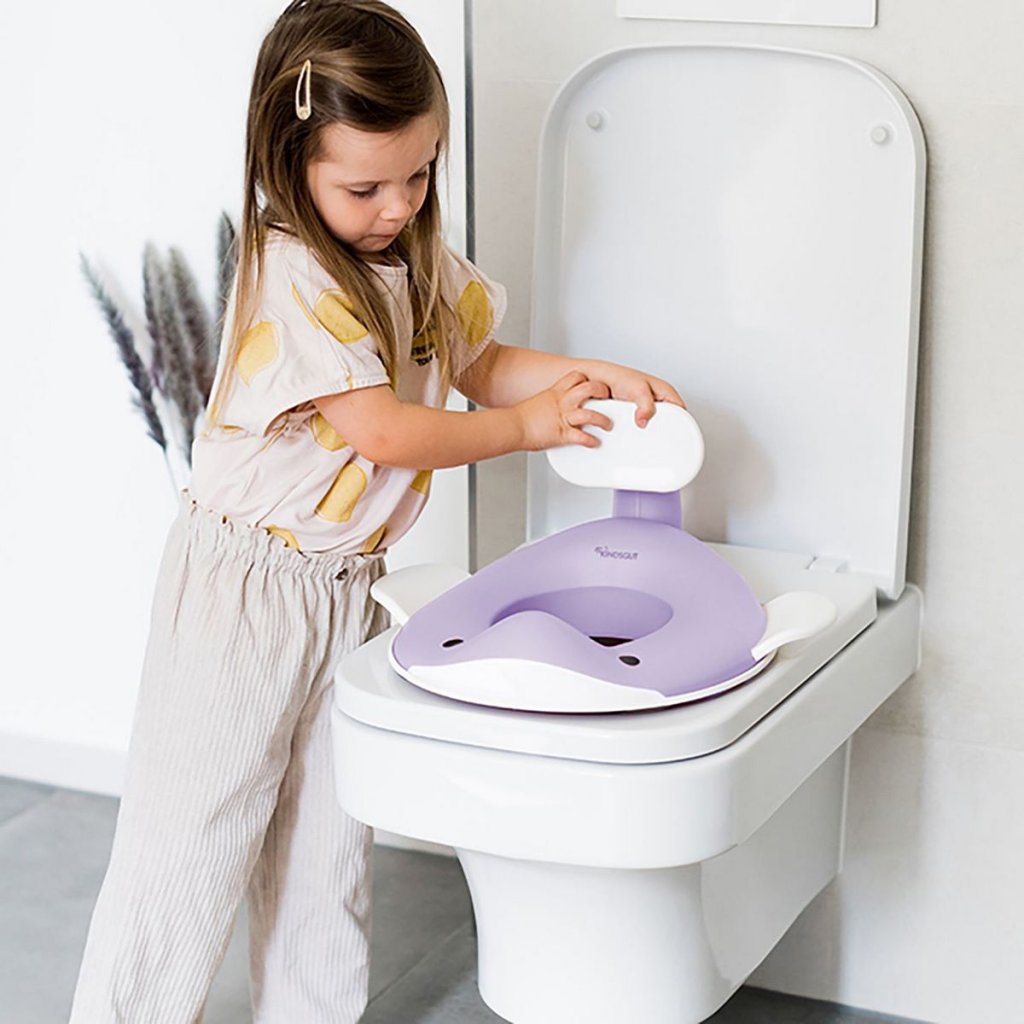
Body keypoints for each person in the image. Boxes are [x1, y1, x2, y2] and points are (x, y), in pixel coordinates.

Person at [69, 1, 684, 1021]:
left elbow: (482, 363)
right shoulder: (291, 273)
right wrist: (527, 430)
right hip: (243, 594)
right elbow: (386, 431)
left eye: (420, 173)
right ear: (288, 167)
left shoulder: (411, 258)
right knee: (190, 843)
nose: (397, 205)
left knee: (326, 841)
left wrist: (590, 378)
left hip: (347, 588)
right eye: (364, 187)